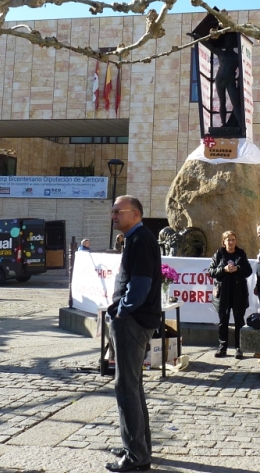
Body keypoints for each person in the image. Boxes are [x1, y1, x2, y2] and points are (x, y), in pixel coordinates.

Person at [106, 196, 162, 473]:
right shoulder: (137, 238)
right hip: (135, 320)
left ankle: (136, 456)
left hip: (132, 322)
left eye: (119, 211)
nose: (113, 215)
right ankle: (138, 447)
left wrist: (121, 312)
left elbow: (139, 286)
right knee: (133, 386)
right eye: (113, 211)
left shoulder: (140, 240)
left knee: (126, 387)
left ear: (136, 214)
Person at [208, 230, 253, 359]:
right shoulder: (218, 254)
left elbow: (248, 271)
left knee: (239, 321)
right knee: (223, 321)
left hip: (239, 292)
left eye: (233, 239)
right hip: (223, 292)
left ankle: (239, 348)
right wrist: (223, 269)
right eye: (228, 240)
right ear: (224, 241)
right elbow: (211, 271)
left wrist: (238, 268)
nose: (231, 242)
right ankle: (222, 347)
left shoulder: (241, 254)